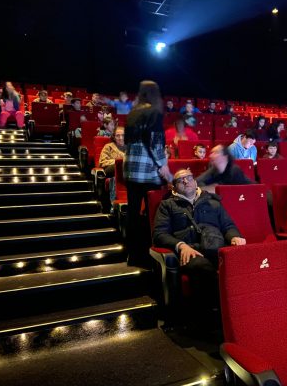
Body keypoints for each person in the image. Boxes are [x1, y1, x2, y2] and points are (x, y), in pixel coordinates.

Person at [153, 168, 246, 309]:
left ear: (195, 182)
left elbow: (228, 226)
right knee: (201, 266)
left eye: (189, 178)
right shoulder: (167, 205)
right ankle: (228, 307)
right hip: (191, 251)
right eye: (180, 180)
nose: (186, 181)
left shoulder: (212, 202)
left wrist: (235, 237)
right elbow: (159, 234)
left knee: (241, 261)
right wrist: (181, 245)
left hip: (216, 246)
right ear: (174, 187)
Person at [124, 80, 172, 265]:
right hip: (147, 171)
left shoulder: (133, 112)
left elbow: (128, 142)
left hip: (131, 169)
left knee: (133, 213)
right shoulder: (153, 112)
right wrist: (163, 166)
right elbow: (155, 144)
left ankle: (133, 254)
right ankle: (150, 254)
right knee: (153, 211)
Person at [99, 126, 126, 209]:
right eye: (118, 135)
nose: (121, 138)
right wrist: (117, 162)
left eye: (123, 135)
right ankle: (113, 205)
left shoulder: (129, 147)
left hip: (126, 172)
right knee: (120, 166)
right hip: (111, 170)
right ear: (114, 137)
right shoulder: (108, 146)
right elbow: (102, 162)